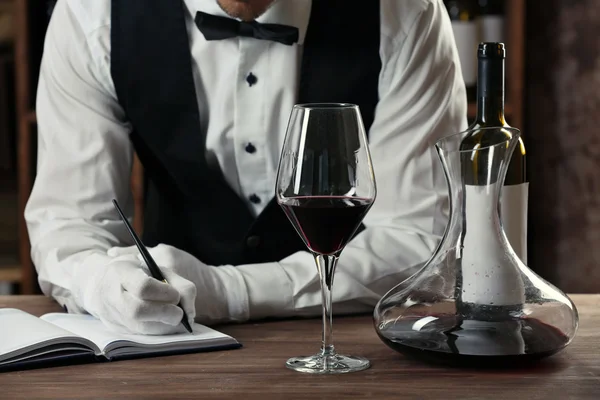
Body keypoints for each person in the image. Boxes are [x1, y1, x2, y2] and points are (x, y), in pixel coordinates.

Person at [25, 0, 467, 335]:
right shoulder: (91, 13)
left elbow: (420, 244)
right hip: (174, 341)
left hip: (355, 339)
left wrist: (229, 292)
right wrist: (102, 282)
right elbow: (69, 223)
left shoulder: (406, 12)